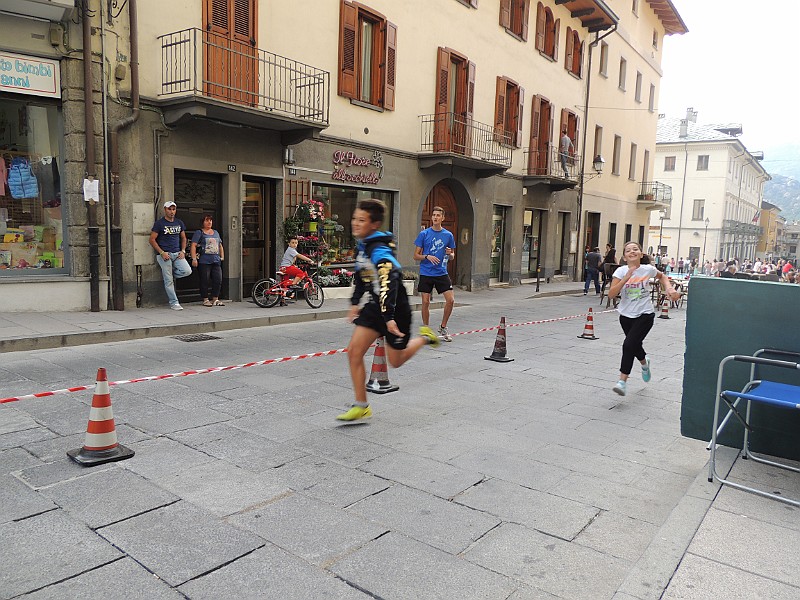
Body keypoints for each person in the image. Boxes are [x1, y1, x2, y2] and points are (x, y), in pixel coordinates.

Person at [338, 199, 440, 422]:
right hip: (377, 306)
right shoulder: (363, 246)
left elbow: (390, 278)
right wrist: (356, 302)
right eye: (354, 218)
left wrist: (389, 317)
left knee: (396, 361)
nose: (355, 223)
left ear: (374, 224)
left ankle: (424, 338)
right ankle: (361, 404)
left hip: (396, 307)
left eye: (361, 220)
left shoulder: (379, 250)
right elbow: (362, 276)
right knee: (354, 352)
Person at [608, 241, 680, 397]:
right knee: (634, 345)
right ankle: (644, 363)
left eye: (635, 249)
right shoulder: (620, 272)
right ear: (624, 256)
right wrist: (625, 278)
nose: (632, 252)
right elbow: (611, 294)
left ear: (641, 254)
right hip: (626, 316)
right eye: (628, 250)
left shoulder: (648, 269)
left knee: (628, 344)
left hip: (645, 314)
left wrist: (668, 288)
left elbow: (663, 277)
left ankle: (622, 381)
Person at [414, 206, 456, 342]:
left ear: (443, 218)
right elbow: (415, 255)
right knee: (425, 302)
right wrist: (427, 257)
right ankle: (426, 330)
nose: (435, 217)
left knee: (450, 300)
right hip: (426, 272)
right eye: (433, 215)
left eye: (438, 215)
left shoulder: (448, 235)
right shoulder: (424, 234)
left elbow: (452, 256)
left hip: (441, 272)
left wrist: (450, 254)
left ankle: (443, 327)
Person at [149, 200, 191, 310]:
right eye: (169, 209)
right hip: (165, 255)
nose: (172, 211)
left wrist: (183, 251)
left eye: (173, 209)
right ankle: (174, 303)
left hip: (177, 254)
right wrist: (162, 252)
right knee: (168, 281)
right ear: (165, 210)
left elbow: (183, 238)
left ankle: (172, 277)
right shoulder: (159, 224)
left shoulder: (179, 222)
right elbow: (152, 240)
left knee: (187, 271)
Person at [190, 214, 225, 307]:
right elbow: (193, 245)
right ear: (203, 222)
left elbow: (220, 245)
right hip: (204, 261)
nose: (209, 222)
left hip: (216, 260)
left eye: (210, 220)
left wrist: (222, 256)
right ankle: (205, 299)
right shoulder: (199, 232)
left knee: (218, 280)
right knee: (204, 280)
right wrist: (194, 259)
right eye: (207, 220)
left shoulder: (216, 232)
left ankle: (215, 299)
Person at [279, 236, 315, 306]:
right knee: (301, 273)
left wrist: (294, 264)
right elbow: (300, 256)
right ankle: (294, 284)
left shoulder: (291, 250)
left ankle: (282, 300)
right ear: (289, 244)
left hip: (283, 267)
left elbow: (292, 260)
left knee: (284, 285)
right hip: (286, 267)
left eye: (296, 243)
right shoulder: (291, 250)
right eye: (293, 243)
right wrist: (309, 260)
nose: (294, 244)